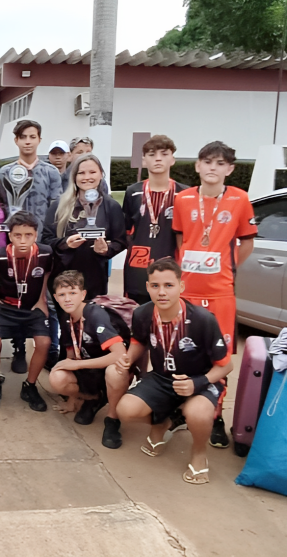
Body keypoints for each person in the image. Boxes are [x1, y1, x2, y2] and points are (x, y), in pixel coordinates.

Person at [115, 258, 232, 484]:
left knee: (197, 413)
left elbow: (226, 365)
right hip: (162, 378)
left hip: (202, 380)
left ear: (181, 286)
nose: (162, 292)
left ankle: (199, 454)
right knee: (126, 410)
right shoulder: (142, 313)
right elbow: (139, 340)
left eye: (169, 285)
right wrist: (127, 358)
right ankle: (165, 420)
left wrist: (197, 384)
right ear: (148, 287)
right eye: (155, 286)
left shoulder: (203, 319)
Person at [172, 141, 256, 448]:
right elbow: (180, 240)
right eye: (207, 161)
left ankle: (216, 414)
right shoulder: (182, 199)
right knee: (182, 349)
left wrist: (226, 268)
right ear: (197, 166)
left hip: (221, 293)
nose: (213, 168)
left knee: (218, 355)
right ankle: (181, 409)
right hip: (187, 292)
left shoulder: (239, 199)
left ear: (230, 169)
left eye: (220, 163)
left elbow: (246, 244)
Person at [0, 211, 52, 412]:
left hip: (32, 307)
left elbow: (47, 271)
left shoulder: (46, 253)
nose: (23, 240)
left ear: (36, 234)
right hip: (4, 306)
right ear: (10, 236)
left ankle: (29, 386)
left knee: (44, 342)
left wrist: (42, 298)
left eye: (28, 235)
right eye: (18, 235)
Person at [48, 270, 126, 426]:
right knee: (57, 377)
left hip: (110, 368)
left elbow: (119, 355)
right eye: (62, 295)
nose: (67, 299)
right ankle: (92, 397)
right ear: (55, 298)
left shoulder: (95, 315)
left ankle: (113, 417)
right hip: (89, 369)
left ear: (83, 294)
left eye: (72, 293)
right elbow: (71, 354)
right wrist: (71, 402)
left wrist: (77, 364)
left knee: (114, 372)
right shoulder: (65, 317)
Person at [43, 154, 125, 300]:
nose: (87, 177)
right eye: (81, 173)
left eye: (92, 172)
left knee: (91, 319)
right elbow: (46, 240)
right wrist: (65, 243)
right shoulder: (59, 205)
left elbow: (121, 240)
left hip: (95, 279)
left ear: (101, 174)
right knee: (65, 321)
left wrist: (106, 250)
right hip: (63, 278)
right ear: (74, 176)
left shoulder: (111, 206)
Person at [123, 135, 187, 305]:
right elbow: (126, 231)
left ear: (172, 159)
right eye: (151, 154)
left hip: (171, 270)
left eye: (164, 154)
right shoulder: (133, 192)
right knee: (137, 319)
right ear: (144, 160)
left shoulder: (185, 194)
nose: (158, 158)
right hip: (137, 272)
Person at [0, 120, 62, 233]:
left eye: (32, 137)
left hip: (42, 236)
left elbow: (57, 207)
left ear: (39, 140)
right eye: (23, 137)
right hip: (11, 236)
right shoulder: (4, 173)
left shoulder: (51, 172)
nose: (28, 142)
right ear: (16, 140)